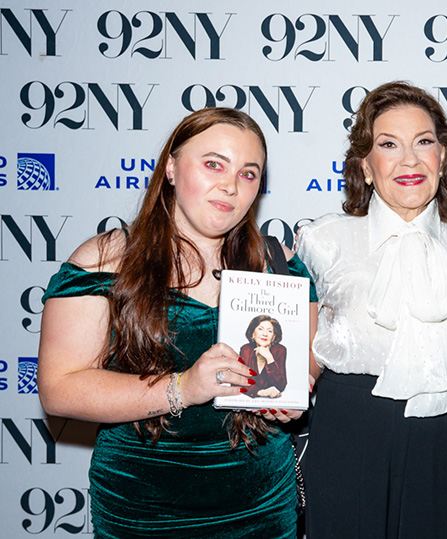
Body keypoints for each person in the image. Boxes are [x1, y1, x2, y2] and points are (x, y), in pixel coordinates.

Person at [37, 107, 318, 538]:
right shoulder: (105, 260)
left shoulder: (279, 265)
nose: (230, 184)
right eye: (213, 164)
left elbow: (306, 366)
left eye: (248, 173)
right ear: (170, 166)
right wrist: (184, 387)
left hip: (261, 506)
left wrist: (294, 392)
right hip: (141, 506)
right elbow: (60, 388)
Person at [296, 81, 447, 539]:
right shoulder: (322, 240)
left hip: (445, 429)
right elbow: (303, 346)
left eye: (424, 142)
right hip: (350, 426)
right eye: (388, 145)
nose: (409, 159)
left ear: (443, 157)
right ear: (365, 165)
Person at [240, 315, 288, 397]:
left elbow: (281, 386)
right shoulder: (246, 349)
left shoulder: (280, 350)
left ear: (273, 337)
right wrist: (260, 392)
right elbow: (238, 381)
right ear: (253, 333)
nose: (265, 334)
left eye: (269, 331)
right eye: (260, 329)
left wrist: (270, 359)